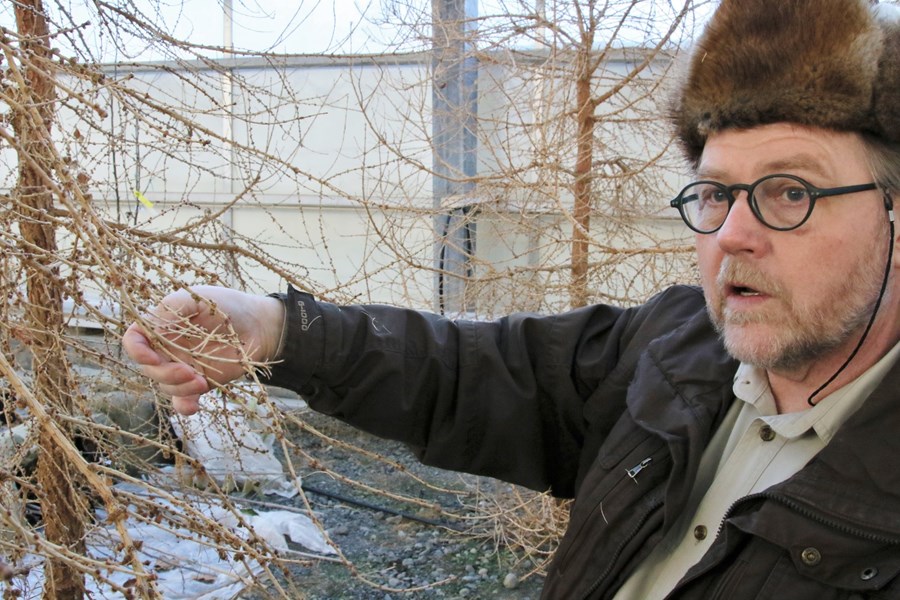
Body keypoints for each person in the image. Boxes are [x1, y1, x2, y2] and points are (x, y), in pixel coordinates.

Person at [123, 0, 900, 597]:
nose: (732, 234)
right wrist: (278, 328)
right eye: (715, 194)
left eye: (790, 192)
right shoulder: (677, 348)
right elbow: (477, 370)